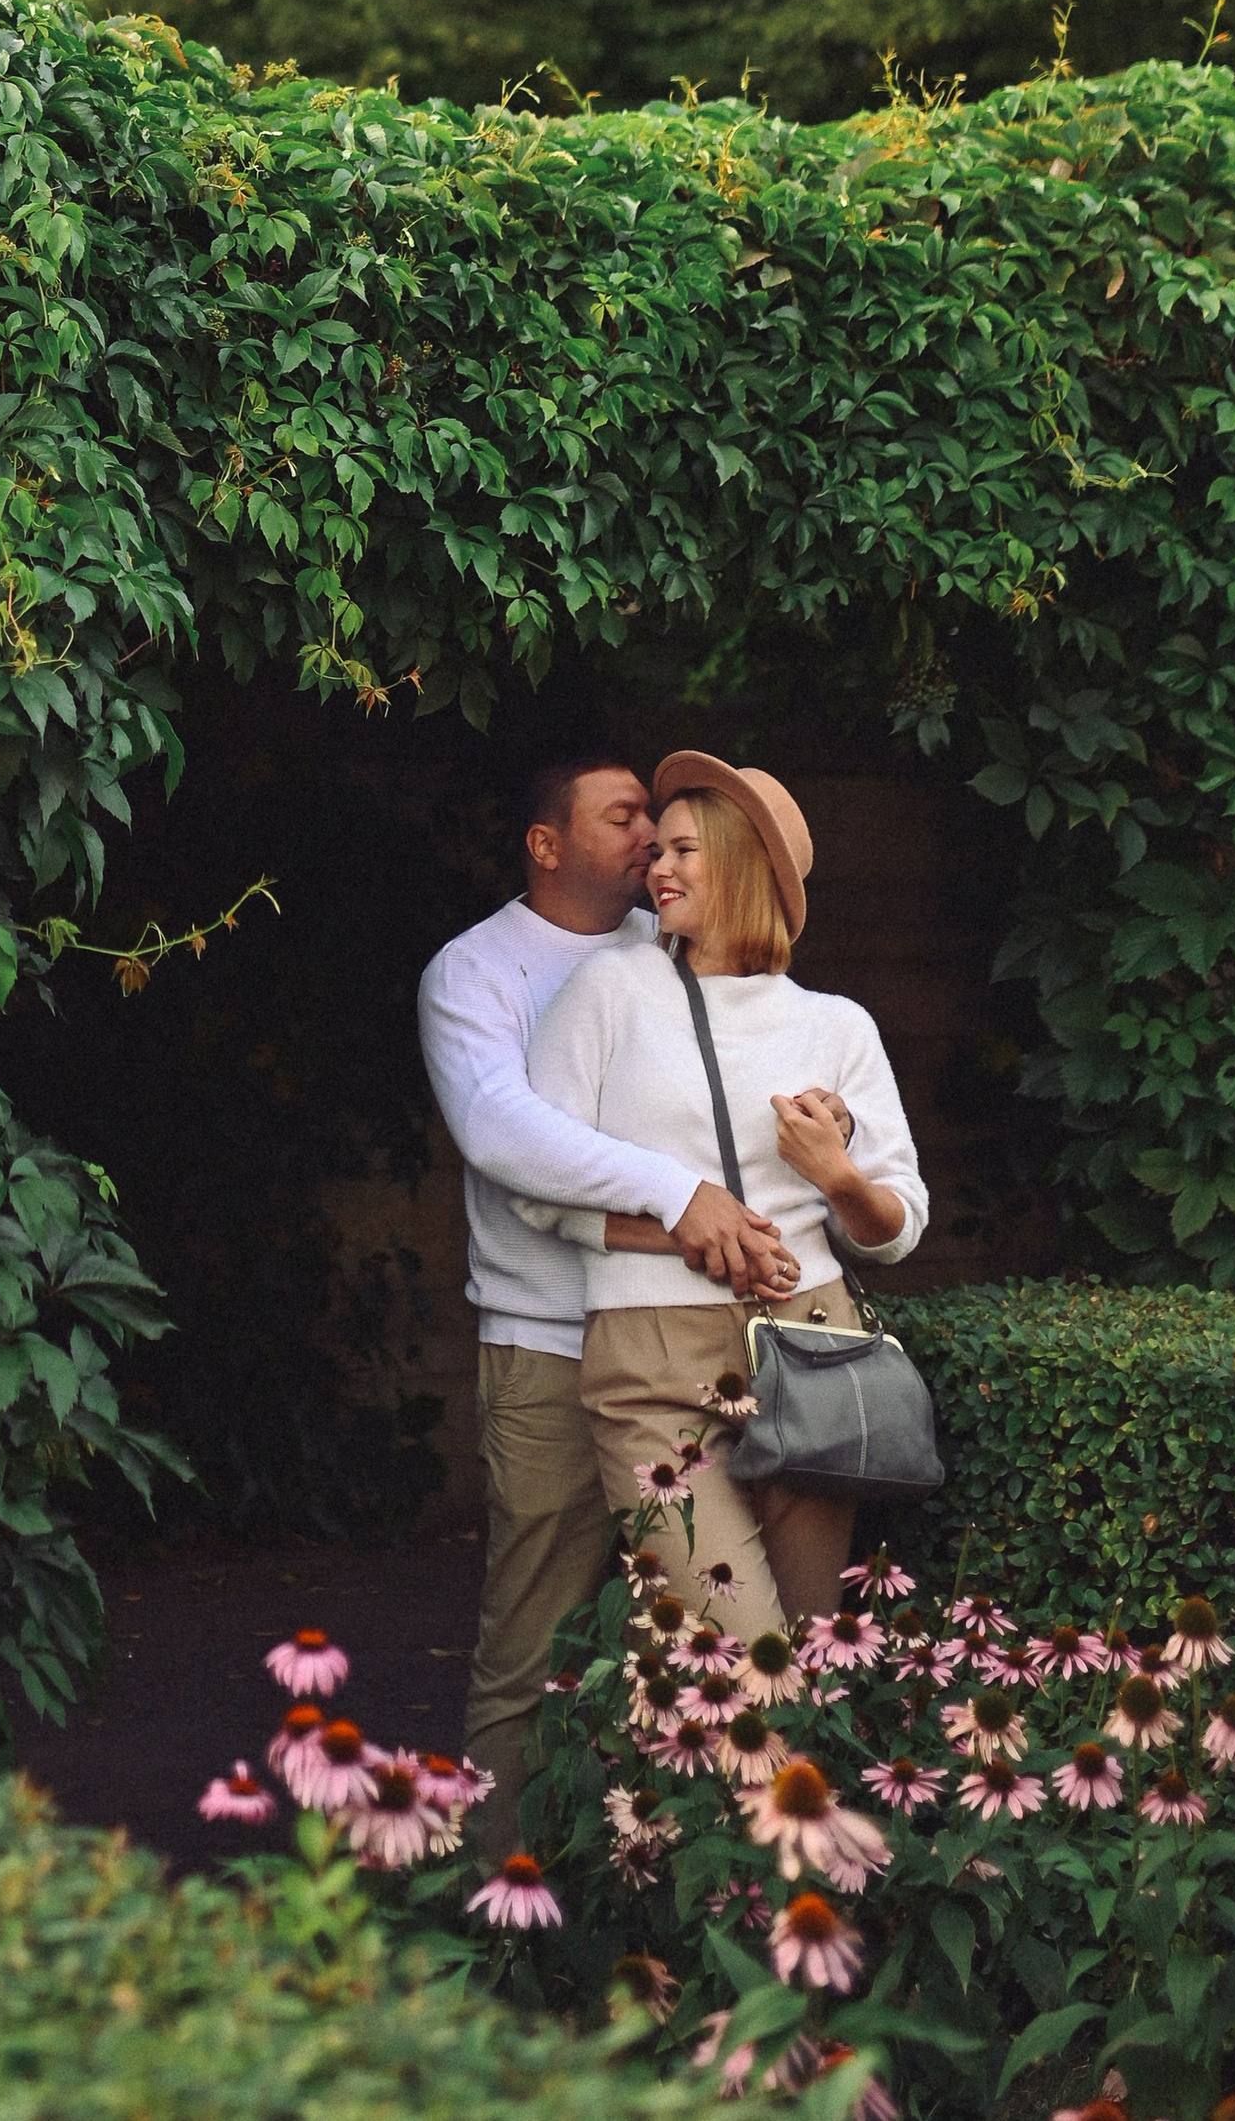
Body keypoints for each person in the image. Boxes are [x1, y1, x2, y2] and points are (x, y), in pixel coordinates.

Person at [417, 753, 801, 1857]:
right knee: (530, 1641)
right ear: (547, 844)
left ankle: (649, 1909)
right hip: (545, 1343)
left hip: (683, 1335)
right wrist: (676, 1199)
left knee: (689, 1643)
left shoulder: (671, 950)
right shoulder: (474, 970)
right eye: (622, 815)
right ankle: (500, 1908)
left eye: (657, 820)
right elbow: (504, 1134)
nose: (650, 837)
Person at [520, 750, 928, 1632]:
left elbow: (897, 1227)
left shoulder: (836, 1024)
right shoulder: (608, 990)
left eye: (683, 851)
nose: (656, 868)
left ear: (746, 864)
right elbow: (538, 1183)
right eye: (655, 850)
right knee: (737, 1657)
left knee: (813, 1645)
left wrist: (837, 1175)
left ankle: (792, 1775)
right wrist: (681, 1227)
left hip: (810, 1344)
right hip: (648, 1358)